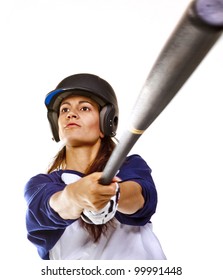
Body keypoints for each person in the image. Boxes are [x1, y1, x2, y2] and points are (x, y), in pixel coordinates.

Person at [24, 73, 166, 260]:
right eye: (64, 110)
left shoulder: (129, 166)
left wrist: (113, 194)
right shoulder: (40, 184)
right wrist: (76, 196)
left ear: (106, 123)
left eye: (84, 108)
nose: (71, 114)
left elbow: (140, 198)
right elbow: (53, 206)